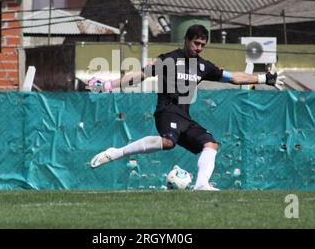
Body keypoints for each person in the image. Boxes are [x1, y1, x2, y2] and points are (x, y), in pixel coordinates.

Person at [88, 24, 284, 191]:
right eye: (196, 43)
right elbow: (140, 75)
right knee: (168, 142)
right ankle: (117, 152)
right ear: (186, 40)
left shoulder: (203, 66)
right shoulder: (168, 59)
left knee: (211, 144)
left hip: (184, 117)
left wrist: (264, 78)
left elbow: (234, 77)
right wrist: (108, 85)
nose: (198, 48)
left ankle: (201, 185)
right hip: (166, 111)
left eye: (202, 45)